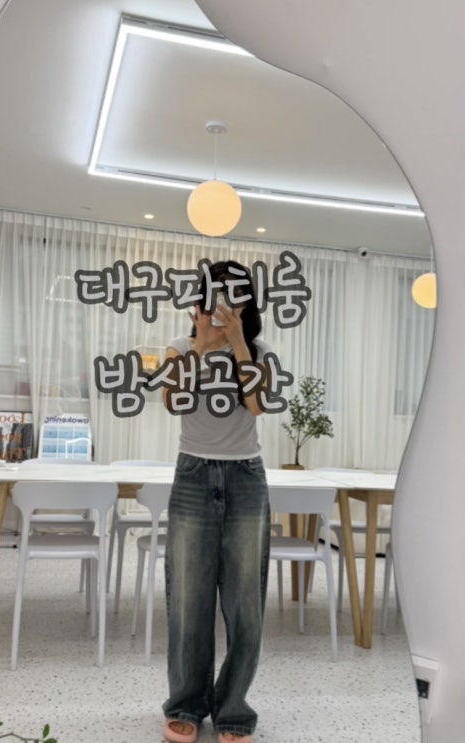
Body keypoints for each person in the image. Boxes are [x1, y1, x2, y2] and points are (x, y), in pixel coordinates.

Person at [162, 260, 272, 743]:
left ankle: (233, 708)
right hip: (193, 474)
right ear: (202, 301)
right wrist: (202, 346)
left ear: (247, 303)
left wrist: (238, 343)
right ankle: (186, 703)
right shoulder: (179, 347)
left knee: (245, 603)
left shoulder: (260, 351)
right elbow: (173, 401)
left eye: (235, 296)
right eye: (217, 295)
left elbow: (256, 405)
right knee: (189, 600)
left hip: (245, 477)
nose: (225, 305)